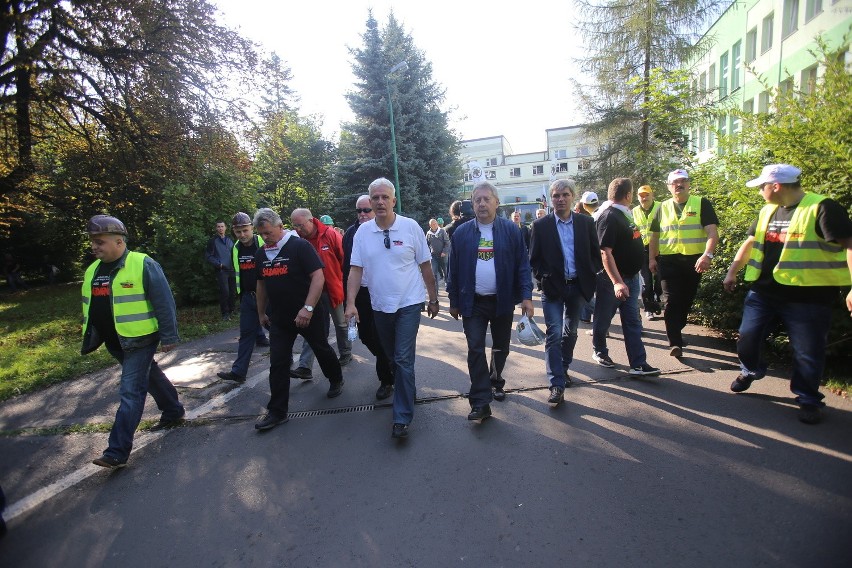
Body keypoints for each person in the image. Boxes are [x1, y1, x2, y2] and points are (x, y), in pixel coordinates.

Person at [723, 164, 852, 425]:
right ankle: (751, 370)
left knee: (807, 351)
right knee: (747, 337)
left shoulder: (822, 208)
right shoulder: (767, 210)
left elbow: (850, 245)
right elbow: (750, 242)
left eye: (762, 186)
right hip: (764, 291)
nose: (760, 191)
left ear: (776, 186)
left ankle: (808, 399)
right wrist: (732, 270)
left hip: (809, 297)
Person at [82, 215, 185, 469]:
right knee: (149, 376)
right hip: (114, 341)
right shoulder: (93, 271)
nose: (94, 246)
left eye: (99, 241)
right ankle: (173, 410)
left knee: (130, 391)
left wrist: (169, 335)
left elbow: (164, 302)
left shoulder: (142, 264)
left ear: (119, 241)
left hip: (139, 339)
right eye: (92, 242)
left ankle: (116, 451)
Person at [345, 178, 439, 439]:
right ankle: (408, 389)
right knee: (391, 357)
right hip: (379, 306)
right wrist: (350, 303)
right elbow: (355, 269)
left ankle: (401, 417)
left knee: (402, 357)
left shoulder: (410, 228)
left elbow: (426, 266)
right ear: (370, 201)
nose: (380, 202)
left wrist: (433, 298)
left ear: (394, 200)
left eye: (385, 197)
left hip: (409, 303)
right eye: (375, 198)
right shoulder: (362, 233)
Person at [447, 181, 534, 421]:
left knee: (500, 347)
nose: (482, 204)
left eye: (487, 199)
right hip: (472, 303)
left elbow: (522, 267)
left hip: (502, 301)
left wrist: (526, 297)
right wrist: (453, 300)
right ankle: (480, 402)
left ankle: (496, 380)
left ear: (496, 202)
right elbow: (452, 270)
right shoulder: (462, 233)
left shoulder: (511, 231)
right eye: (477, 200)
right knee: (475, 348)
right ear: (472, 205)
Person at [253, 208, 344, 431]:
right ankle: (277, 411)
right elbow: (261, 284)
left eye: (268, 232)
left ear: (280, 226)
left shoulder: (298, 246)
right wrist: (261, 313)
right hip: (280, 318)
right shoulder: (262, 254)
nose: (265, 237)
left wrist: (308, 307)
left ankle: (336, 379)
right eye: (261, 233)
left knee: (321, 348)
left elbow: (318, 277)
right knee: (278, 362)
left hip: (308, 313)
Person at [529, 178, 602, 406]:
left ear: (573, 197)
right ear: (551, 200)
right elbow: (534, 259)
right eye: (556, 196)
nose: (560, 199)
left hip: (578, 287)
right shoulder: (541, 226)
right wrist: (544, 279)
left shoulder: (585, 223)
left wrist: (589, 275)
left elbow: (594, 253)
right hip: (553, 289)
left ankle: (564, 367)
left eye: (565, 195)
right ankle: (556, 384)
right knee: (554, 333)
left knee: (570, 332)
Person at [591, 178, 661, 376]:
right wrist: (617, 282)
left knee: (632, 322)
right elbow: (605, 252)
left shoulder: (624, 214)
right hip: (612, 281)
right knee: (603, 319)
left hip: (629, 278)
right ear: (629, 195)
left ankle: (638, 363)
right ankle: (599, 351)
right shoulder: (609, 216)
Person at [649, 169, 719, 358]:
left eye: (683, 181)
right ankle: (675, 342)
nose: (679, 185)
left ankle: (676, 327)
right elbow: (654, 236)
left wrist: (707, 255)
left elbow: (712, 233)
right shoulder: (662, 207)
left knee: (686, 301)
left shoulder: (701, 203)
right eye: (675, 182)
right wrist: (651, 259)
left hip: (694, 261)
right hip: (668, 261)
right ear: (669, 186)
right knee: (671, 301)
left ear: (689, 183)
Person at [289, 208, 352, 380]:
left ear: (310, 220)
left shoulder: (330, 235)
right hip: (311, 293)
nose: (297, 229)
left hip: (333, 289)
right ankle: (305, 367)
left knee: (341, 324)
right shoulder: (297, 239)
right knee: (312, 328)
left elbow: (343, 259)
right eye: (294, 225)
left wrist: (341, 282)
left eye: (300, 225)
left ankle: (346, 352)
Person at [343, 195, 395, 400]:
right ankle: (390, 362)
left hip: (383, 291)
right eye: (359, 211)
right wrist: (349, 299)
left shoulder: (385, 230)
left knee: (382, 335)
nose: (363, 214)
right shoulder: (350, 233)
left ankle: (386, 379)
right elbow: (346, 267)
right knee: (364, 335)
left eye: (366, 210)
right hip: (361, 294)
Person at [216, 212, 269, 384]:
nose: (242, 235)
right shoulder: (236, 248)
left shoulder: (264, 243)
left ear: (252, 228)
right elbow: (238, 274)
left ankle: (286, 363)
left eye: (245, 231)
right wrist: (241, 295)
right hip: (248, 298)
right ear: (233, 231)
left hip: (268, 298)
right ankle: (239, 372)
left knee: (277, 332)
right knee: (246, 335)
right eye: (238, 232)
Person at [633, 185, 662, 319]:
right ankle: (649, 308)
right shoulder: (634, 211)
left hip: (661, 248)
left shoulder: (661, 207)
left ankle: (658, 301)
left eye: (646, 195)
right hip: (642, 249)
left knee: (660, 279)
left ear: (652, 195)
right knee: (646, 281)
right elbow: (633, 231)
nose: (644, 198)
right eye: (641, 196)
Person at [206, 221, 236, 320]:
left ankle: (232, 310)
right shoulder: (213, 241)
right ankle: (225, 314)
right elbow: (209, 256)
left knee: (233, 292)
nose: (220, 228)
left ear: (225, 228)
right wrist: (219, 264)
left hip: (232, 269)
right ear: (216, 228)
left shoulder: (229, 240)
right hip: (222, 270)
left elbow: (235, 253)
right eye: (218, 227)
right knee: (225, 292)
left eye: (222, 226)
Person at [426, 218, 450, 287]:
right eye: (433, 224)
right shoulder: (428, 234)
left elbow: (447, 243)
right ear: (430, 225)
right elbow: (426, 244)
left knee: (445, 270)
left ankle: (447, 282)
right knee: (434, 271)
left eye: (435, 223)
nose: (435, 225)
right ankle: (435, 288)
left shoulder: (442, 231)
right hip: (433, 256)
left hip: (443, 255)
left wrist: (444, 252)